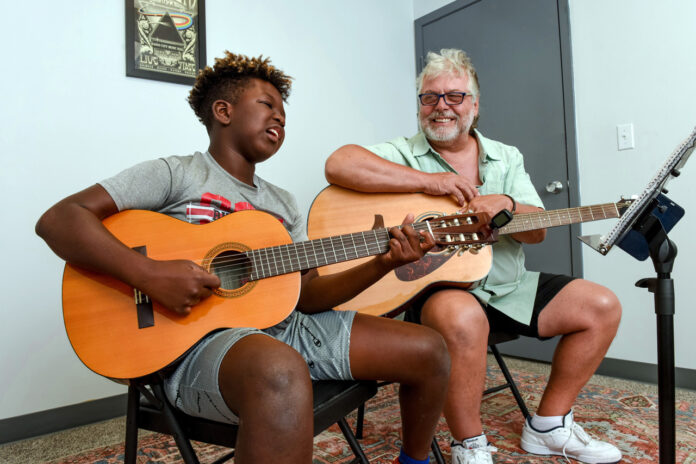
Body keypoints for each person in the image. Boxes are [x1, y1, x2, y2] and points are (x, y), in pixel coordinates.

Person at [35, 51, 451, 464]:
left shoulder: (282, 204)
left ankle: (413, 461)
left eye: (285, 116)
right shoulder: (178, 173)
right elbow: (59, 220)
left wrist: (384, 262)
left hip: (288, 331)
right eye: (267, 106)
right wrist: (149, 274)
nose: (280, 120)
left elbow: (308, 296)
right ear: (223, 110)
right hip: (198, 343)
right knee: (280, 370)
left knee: (429, 349)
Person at [324, 48, 623, 464]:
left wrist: (507, 206)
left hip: (508, 285)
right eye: (430, 97)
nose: (441, 106)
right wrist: (430, 182)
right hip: (440, 293)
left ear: (475, 105)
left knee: (602, 306)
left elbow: (536, 231)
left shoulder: (506, 156)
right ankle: (470, 443)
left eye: (455, 96)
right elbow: (340, 164)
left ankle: (549, 426)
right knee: (465, 319)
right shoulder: (402, 152)